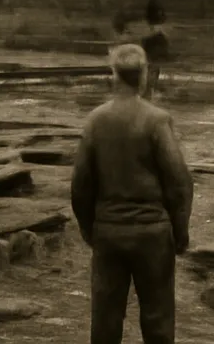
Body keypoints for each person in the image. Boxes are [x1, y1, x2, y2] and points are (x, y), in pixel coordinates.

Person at [70, 44, 193, 344]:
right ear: (144, 76)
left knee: (106, 319)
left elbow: (80, 185)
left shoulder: (96, 121)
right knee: (158, 317)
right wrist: (180, 230)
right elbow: (180, 182)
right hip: (152, 234)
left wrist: (90, 228)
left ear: (113, 75)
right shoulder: (156, 120)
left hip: (109, 232)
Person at [140, 0, 170, 99]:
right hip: (154, 46)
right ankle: (149, 90)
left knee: (152, 68)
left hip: (153, 47)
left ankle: (149, 90)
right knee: (153, 68)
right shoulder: (156, 26)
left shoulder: (151, 24)